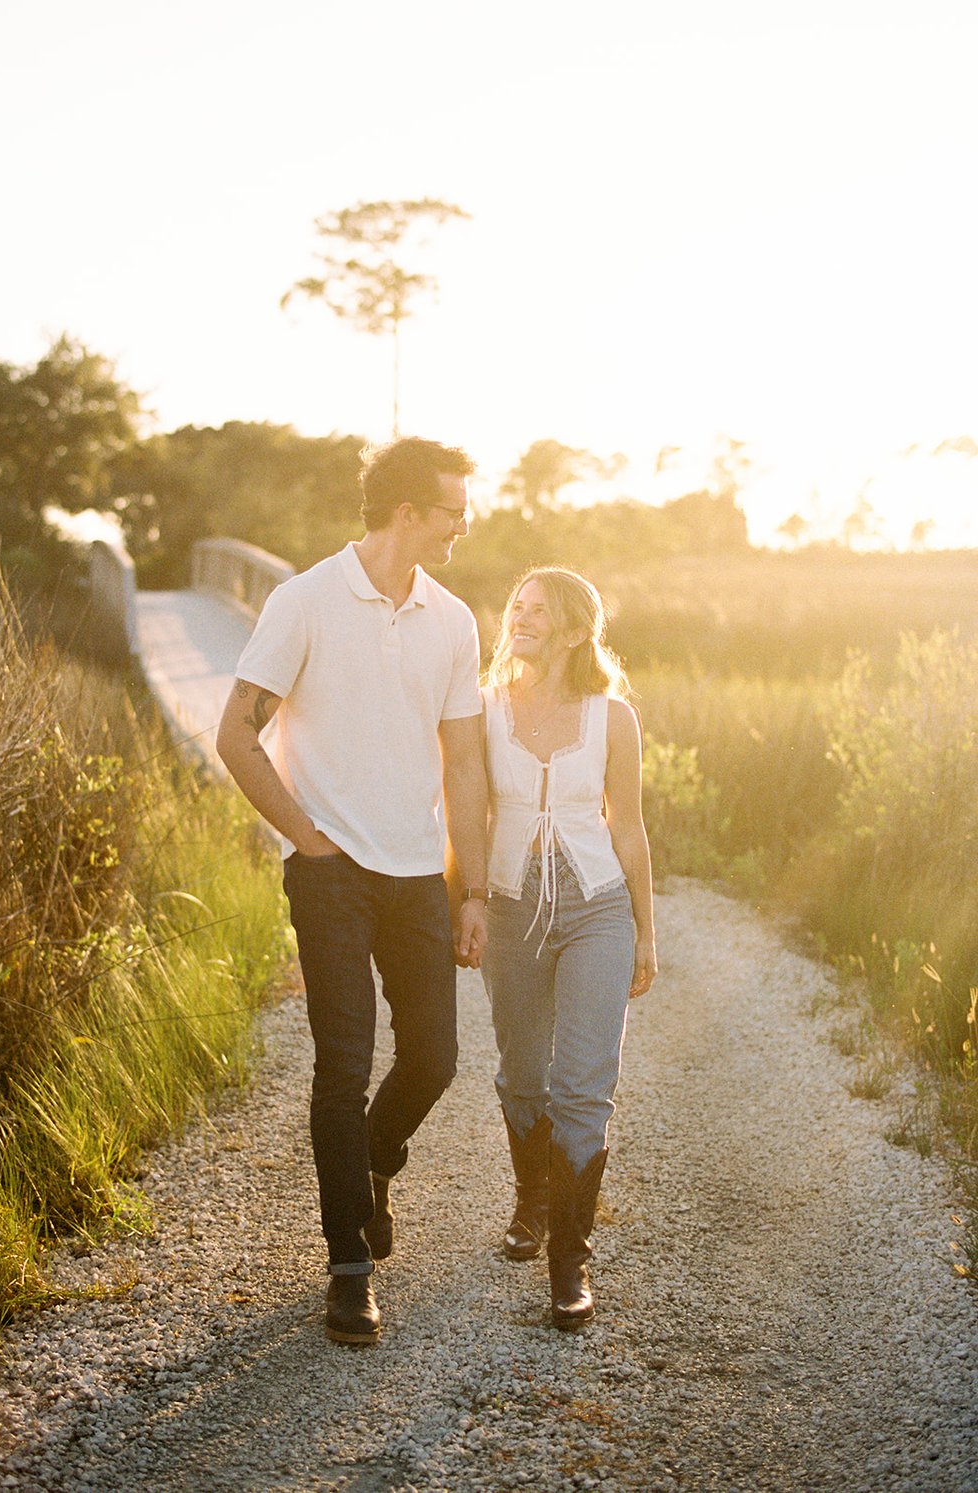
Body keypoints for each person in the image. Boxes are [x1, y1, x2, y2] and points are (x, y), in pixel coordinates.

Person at [216, 437, 488, 1347]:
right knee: (341, 1064)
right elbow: (236, 735)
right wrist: (306, 837)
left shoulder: (454, 621)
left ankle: (370, 1163)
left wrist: (472, 887)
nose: (465, 522)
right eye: (454, 507)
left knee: (437, 1058)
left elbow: (463, 762)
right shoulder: (303, 602)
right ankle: (349, 1268)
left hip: (417, 872)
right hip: (330, 873)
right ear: (407, 512)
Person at [479, 566, 657, 1329]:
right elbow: (459, 810)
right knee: (524, 1076)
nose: (522, 619)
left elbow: (628, 828)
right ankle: (532, 1199)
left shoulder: (612, 717)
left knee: (583, 1084)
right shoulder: (482, 712)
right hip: (511, 907)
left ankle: (570, 1260)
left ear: (579, 629)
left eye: (540, 611)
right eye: (518, 607)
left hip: (598, 909)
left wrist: (646, 930)